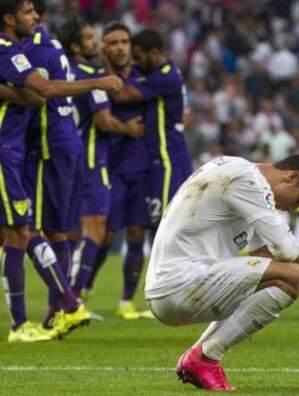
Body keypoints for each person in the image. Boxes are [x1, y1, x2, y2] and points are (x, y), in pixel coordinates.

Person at [144, 154, 299, 391]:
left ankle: (199, 357)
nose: (291, 209)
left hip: (174, 286)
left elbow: (264, 255)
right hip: (180, 283)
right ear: (291, 177)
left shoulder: (244, 181)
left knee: (285, 276)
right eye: (298, 201)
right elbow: (285, 248)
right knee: (292, 276)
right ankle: (206, 357)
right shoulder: (245, 179)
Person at [0, 0, 122, 342]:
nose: (36, 17)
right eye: (28, 12)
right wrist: (98, 82)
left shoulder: (26, 47)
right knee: (26, 231)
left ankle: (55, 311)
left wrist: (16, 94)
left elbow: (38, 95)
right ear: (9, 18)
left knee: (28, 231)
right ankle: (52, 312)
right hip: (29, 150)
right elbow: (45, 90)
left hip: (26, 149)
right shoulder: (18, 48)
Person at [56, 18, 145, 315]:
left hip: (66, 157)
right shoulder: (92, 77)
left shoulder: (65, 72)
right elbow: (105, 120)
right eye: (90, 39)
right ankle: (72, 301)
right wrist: (127, 128)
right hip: (92, 159)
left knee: (68, 234)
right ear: (76, 45)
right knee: (93, 232)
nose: (95, 43)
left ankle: (67, 300)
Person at [84, 21, 153, 320]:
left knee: (137, 233)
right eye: (114, 43)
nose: (121, 47)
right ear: (104, 48)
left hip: (142, 166)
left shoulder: (144, 77)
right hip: (109, 166)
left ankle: (127, 302)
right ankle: (83, 291)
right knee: (106, 235)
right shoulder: (97, 81)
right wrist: (126, 128)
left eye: (125, 42)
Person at [106, 29, 193, 231]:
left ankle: (169, 264)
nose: (136, 61)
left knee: (165, 224)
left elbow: (122, 96)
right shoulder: (165, 72)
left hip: (168, 157)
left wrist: (106, 63)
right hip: (160, 158)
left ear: (153, 53)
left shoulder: (164, 77)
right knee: (156, 222)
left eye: (138, 56)